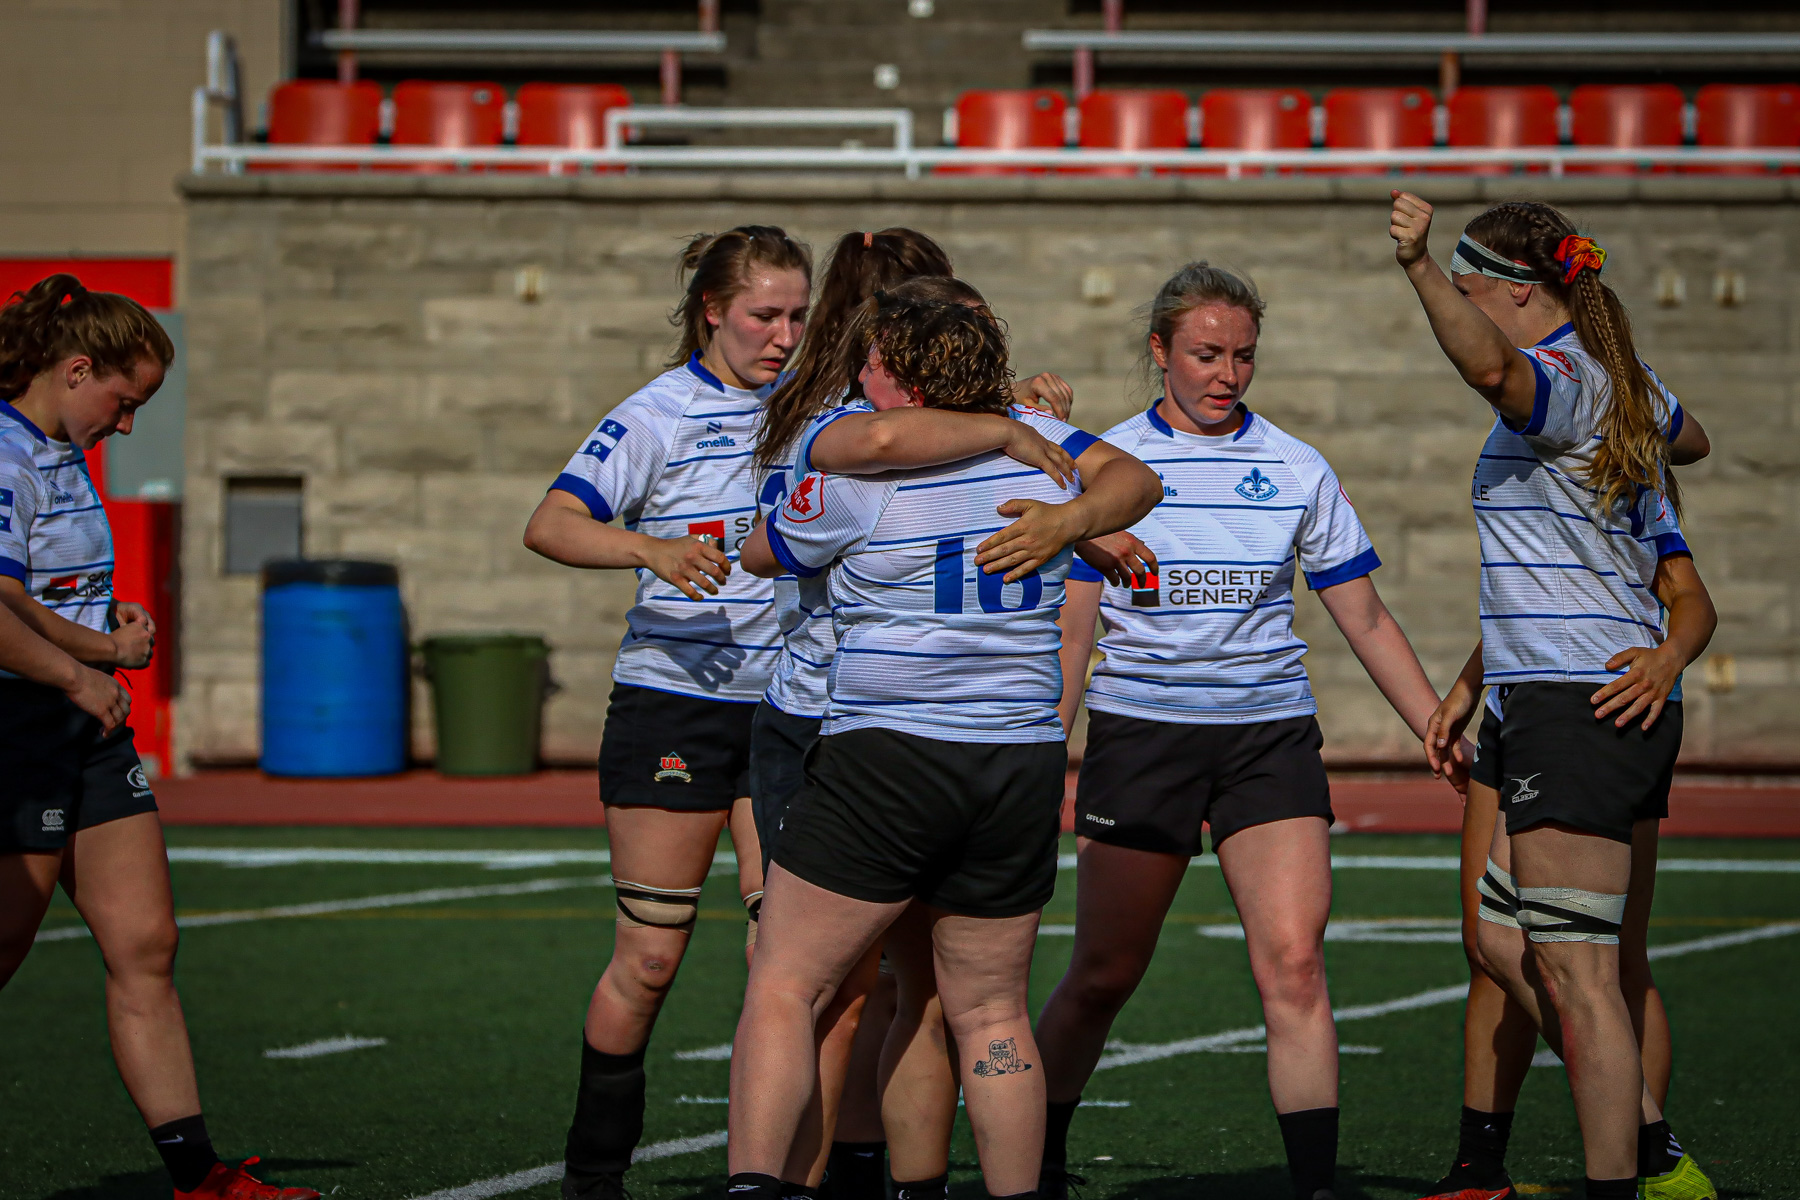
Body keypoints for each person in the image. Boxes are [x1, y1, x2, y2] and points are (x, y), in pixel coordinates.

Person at [1032, 261, 1467, 1200]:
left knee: (1296, 964)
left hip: (1267, 738)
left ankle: (1315, 1186)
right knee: (1104, 974)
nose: (1227, 374)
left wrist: (1434, 723)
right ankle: (1036, 1161)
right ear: (1160, 351)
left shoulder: (1297, 466)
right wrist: (1038, 756)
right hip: (1142, 738)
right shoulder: (1107, 468)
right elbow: (1072, 636)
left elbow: (1365, 617)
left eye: (1243, 355)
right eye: (1206, 354)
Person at [726, 294, 1162, 1200]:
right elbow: (1137, 482)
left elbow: (764, 553)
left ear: (907, 379)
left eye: (872, 363)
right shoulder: (1046, 450)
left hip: (890, 753)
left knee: (785, 985)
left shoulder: (862, 472)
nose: (859, 378)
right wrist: (1068, 519)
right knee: (993, 1014)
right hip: (1016, 761)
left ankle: (755, 1188)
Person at [1392, 193, 1721, 1200]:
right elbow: (1692, 439)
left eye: (1468, 288)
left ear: (1520, 292)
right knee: (1502, 941)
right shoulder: (1618, 389)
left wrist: (1415, 268)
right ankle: (1652, 1147)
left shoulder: (1569, 382)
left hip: (1580, 701)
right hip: (1543, 689)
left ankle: (1630, 1176)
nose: (1460, 304)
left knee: (1582, 975)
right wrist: (1473, 679)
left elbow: (1492, 370)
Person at [0, 275, 320, 1200]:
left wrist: (105, 626)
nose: (129, 424)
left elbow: (42, 593)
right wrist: (91, 661)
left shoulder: (64, 452)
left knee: (147, 944)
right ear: (75, 370)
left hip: (87, 730)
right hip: (20, 730)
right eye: (124, 400)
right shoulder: (6, 453)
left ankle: (197, 1175)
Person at [522, 225, 811, 1200]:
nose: (783, 335)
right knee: (649, 959)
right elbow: (551, 524)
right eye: (765, 315)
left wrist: (1019, 409)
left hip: (785, 710)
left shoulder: (815, 407)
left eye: (798, 316)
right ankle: (593, 1177)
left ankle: (778, 1177)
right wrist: (650, 549)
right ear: (712, 311)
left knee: (785, 956)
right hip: (673, 704)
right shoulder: (657, 413)